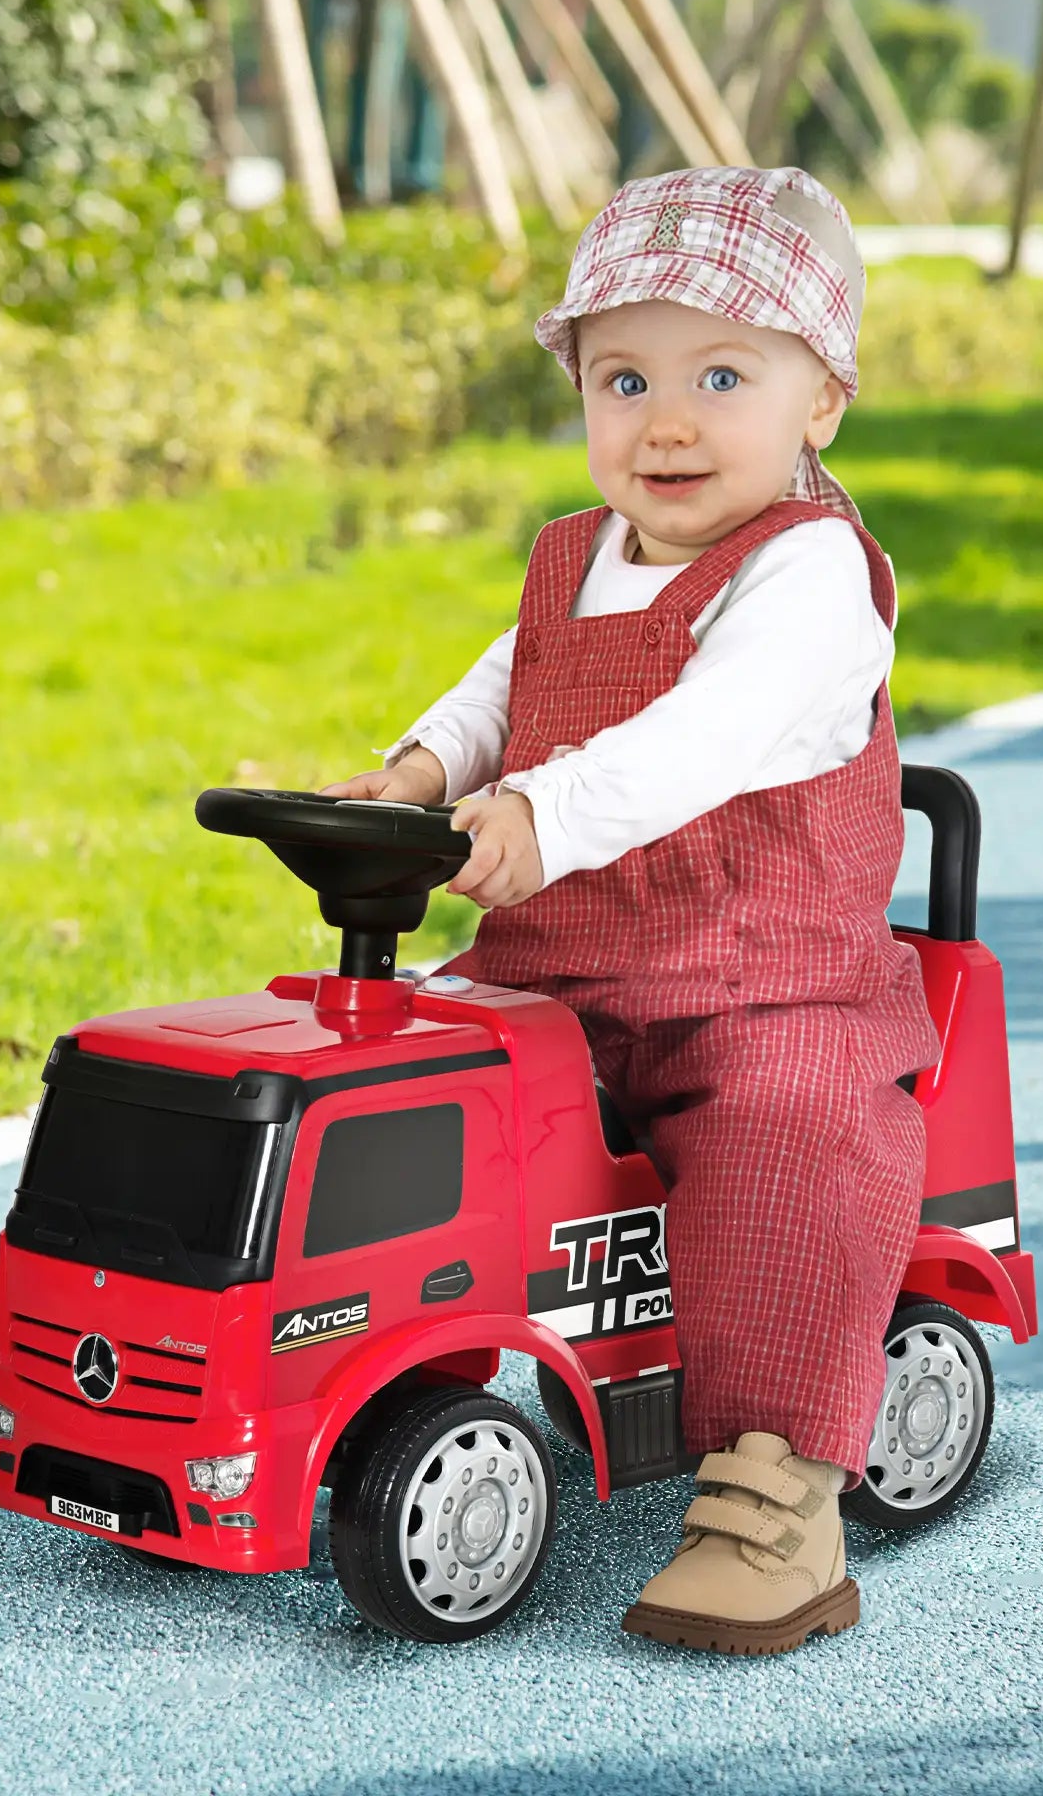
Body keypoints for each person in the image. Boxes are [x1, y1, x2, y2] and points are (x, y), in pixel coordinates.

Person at [320, 166, 939, 1656]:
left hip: (763, 982)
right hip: (558, 974)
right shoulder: (573, 557)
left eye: (722, 378)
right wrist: (423, 773)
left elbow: (701, 738)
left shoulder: (808, 579)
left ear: (822, 401)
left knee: (794, 1128)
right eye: (624, 380)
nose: (665, 423)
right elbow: (501, 690)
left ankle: (777, 1498)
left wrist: (543, 814)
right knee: (389, 1066)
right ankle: (359, 1352)